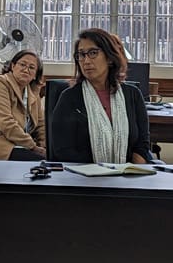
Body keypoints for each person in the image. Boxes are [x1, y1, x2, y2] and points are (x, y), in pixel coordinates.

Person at [50, 28, 152, 164]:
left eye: (93, 53)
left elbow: (142, 144)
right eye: (81, 55)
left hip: (127, 176)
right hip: (84, 177)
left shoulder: (132, 95)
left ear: (110, 58)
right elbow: (63, 150)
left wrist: (134, 174)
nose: (86, 61)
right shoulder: (69, 98)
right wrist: (101, 173)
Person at [0, 50, 47, 160]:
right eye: (22, 64)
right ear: (13, 66)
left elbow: (41, 125)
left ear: (35, 75)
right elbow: (5, 122)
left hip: (21, 146)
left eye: (31, 67)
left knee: (51, 160)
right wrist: (33, 146)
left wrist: (44, 146)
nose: (26, 70)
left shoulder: (33, 93)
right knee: (39, 161)